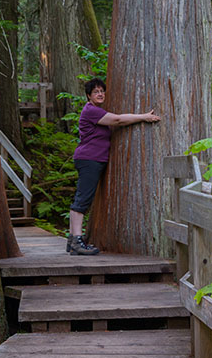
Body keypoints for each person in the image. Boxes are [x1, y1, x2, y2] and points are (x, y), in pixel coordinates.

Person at [67, 77, 160, 255]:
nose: (100, 94)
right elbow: (117, 120)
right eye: (96, 92)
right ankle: (77, 242)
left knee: (82, 197)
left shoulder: (96, 111)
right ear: (88, 96)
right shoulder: (91, 110)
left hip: (92, 159)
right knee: (83, 199)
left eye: (102, 91)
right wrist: (144, 117)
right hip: (89, 159)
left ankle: (72, 241)